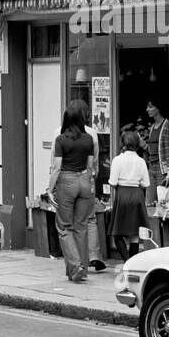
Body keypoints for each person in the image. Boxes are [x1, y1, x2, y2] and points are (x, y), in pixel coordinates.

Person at [48, 106, 96, 283]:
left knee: (64, 227)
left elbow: (56, 167)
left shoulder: (61, 140)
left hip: (66, 180)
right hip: (84, 180)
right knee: (81, 226)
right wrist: (88, 182)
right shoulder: (89, 139)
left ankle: (75, 267)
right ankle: (81, 269)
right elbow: (90, 165)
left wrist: (49, 189)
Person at [67, 98, 106, 271]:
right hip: (86, 178)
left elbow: (55, 161)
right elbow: (94, 160)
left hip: (67, 180)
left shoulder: (58, 132)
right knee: (89, 219)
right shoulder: (92, 134)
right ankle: (94, 255)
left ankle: (76, 259)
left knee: (69, 221)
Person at [109, 130, 150, 261]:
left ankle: (127, 261)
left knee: (117, 233)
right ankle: (132, 263)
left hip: (122, 195)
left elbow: (113, 182)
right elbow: (146, 183)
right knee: (135, 234)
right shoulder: (141, 161)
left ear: (123, 143)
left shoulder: (117, 160)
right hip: (137, 195)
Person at [144, 100, 169, 203]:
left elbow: (168, 149)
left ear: (158, 108)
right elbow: (153, 150)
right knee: (149, 201)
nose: (147, 109)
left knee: (162, 201)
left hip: (161, 169)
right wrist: (143, 145)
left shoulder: (166, 124)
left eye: (150, 107)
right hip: (151, 167)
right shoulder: (152, 126)